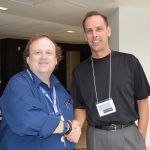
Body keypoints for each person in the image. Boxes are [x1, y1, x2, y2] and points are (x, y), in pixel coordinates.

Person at [70, 11, 150, 150]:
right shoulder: (79, 71)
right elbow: (80, 106)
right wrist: (77, 124)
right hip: (96, 135)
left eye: (99, 29)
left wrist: (140, 138)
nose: (94, 35)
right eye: (89, 31)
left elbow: (142, 101)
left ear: (108, 31)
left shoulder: (129, 62)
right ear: (85, 36)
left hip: (128, 133)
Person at [0, 34, 75, 150]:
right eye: (37, 52)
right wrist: (68, 127)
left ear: (56, 60)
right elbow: (29, 121)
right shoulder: (18, 84)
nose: (43, 57)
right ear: (28, 59)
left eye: (49, 52)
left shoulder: (60, 89)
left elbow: (69, 117)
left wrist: (76, 126)